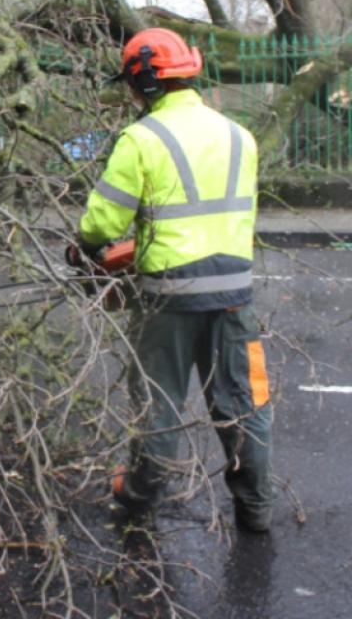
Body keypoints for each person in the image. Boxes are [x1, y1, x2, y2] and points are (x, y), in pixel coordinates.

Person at [69, 27, 273, 532]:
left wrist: (88, 251)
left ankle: (137, 499)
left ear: (147, 83)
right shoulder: (239, 136)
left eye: (133, 86)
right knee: (244, 405)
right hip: (233, 297)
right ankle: (256, 507)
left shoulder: (141, 139)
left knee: (158, 405)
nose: (131, 95)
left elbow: (103, 224)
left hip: (168, 297)